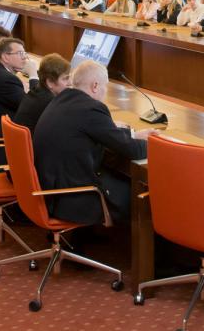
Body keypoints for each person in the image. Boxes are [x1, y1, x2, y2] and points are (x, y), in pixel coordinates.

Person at [33, 60, 149, 224]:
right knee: (140, 194)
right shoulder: (90, 108)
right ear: (95, 86)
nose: (105, 91)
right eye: (105, 86)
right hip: (72, 199)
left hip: (50, 191)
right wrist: (157, 144)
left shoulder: (61, 99)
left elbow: (102, 132)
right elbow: (133, 150)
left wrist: (133, 134)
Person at [13, 54, 71, 130]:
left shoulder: (37, 90)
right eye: (65, 79)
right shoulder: (50, 102)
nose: (70, 83)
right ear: (50, 82)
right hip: (31, 137)